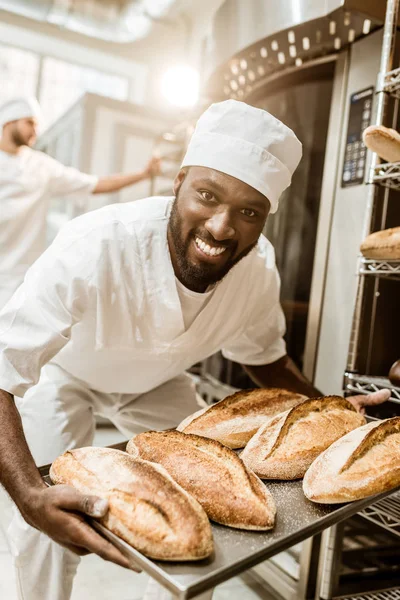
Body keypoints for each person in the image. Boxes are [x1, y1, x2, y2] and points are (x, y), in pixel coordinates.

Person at [0, 99, 389, 600]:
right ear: (179, 182)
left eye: (249, 212)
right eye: (207, 194)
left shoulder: (256, 272)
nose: (222, 228)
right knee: (49, 525)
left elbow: (265, 359)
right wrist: (30, 495)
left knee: (209, 516)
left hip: (157, 385)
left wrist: (333, 409)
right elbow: (3, 366)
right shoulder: (97, 244)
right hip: (64, 376)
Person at [0, 96, 160, 309]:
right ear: (9, 121)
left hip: (16, 280)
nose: (35, 131)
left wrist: (143, 174)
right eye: (30, 122)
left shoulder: (41, 167)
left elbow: (96, 184)